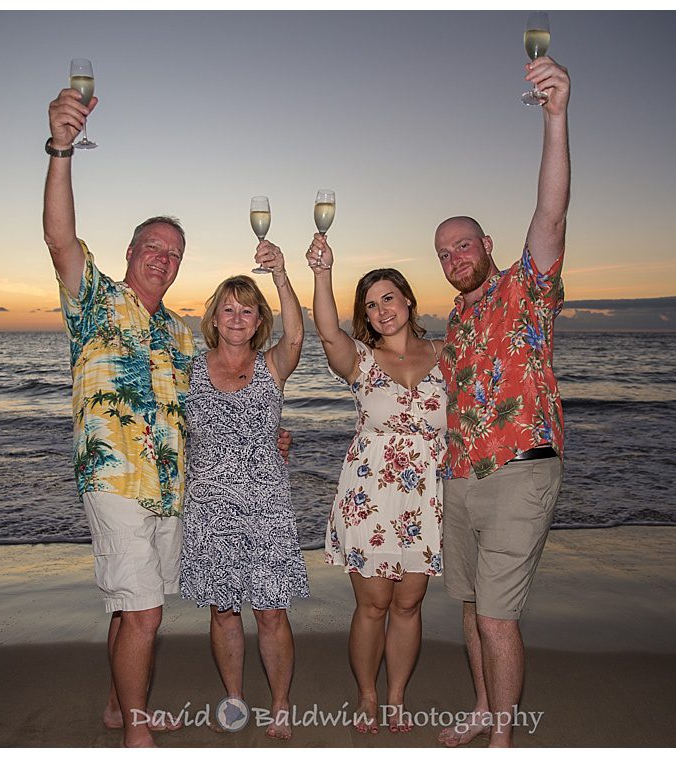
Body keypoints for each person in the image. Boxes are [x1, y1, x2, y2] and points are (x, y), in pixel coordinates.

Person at [41, 85, 193, 747]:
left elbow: (200, 405)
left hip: (168, 486)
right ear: (130, 253)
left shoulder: (183, 335)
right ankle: (137, 731)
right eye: (152, 248)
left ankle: (115, 703)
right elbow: (58, 237)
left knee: (134, 606)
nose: (161, 259)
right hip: (112, 476)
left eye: (173, 254)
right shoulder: (94, 299)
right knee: (147, 611)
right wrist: (61, 149)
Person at [431, 54, 572, 748]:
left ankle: (503, 737)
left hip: (521, 467)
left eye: (464, 244)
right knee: (469, 605)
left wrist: (555, 117)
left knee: (496, 616)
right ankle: (484, 707)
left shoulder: (526, 288)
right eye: (445, 254)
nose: (456, 257)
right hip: (460, 477)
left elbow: (551, 209)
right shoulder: (455, 321)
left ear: (487, 244)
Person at [308, 236, 446, 735]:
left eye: (388, 297)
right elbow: (327, 332)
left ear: (408, 299)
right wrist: (324, 272)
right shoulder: (361, 361)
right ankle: (367, 695)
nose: (381, 309)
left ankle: (396, 697)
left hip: (424, 500)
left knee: (409, 604)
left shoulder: (446, 355)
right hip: (369, 497)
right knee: (374, 605)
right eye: (370, 304)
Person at [177, 250, 308, 741]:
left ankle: (280, 702)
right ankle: (234, 696)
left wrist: (280, 273)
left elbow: (297, 335)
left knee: (272, 610)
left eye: (247, 310)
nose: (236, 318)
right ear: (213, 317)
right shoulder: (188, 372)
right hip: (210, 509)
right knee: (224, 609)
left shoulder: (272, 364)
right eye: (227, 309)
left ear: (259, 320)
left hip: (267, 508)